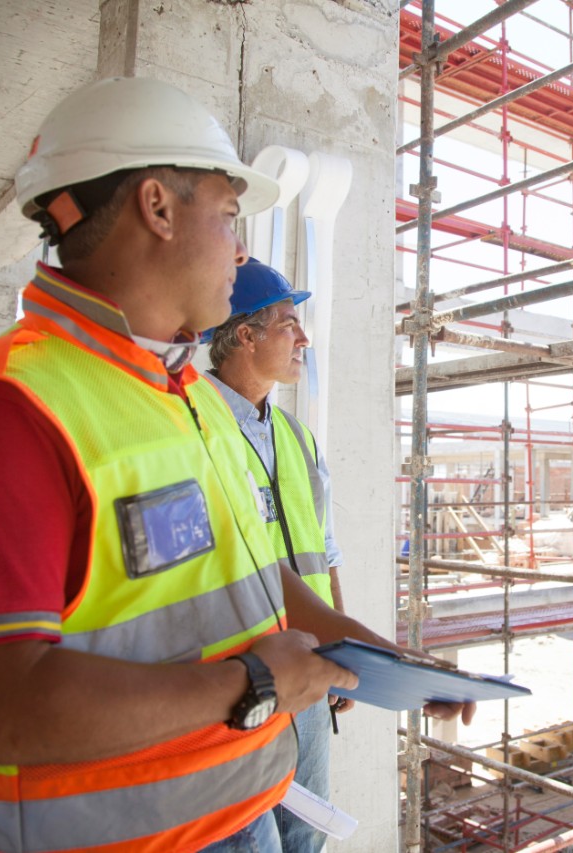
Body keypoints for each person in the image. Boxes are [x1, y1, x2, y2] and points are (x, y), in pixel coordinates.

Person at [0, 76, 467, 853]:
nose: (241, 248)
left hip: (236, 810)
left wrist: (374, 652)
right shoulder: (1, 413)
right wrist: (256, 682)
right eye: (230, 216)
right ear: (157, 207)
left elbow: (255, 582)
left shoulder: (184, 390)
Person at [205, 260, 472, 852]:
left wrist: (346, 651)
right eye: (288, 324)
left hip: (308, 671)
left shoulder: (297, 437)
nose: (303, 339)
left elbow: (322, 552)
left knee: (306, 836)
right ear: (245, 335)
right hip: (238, 679)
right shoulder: (194, 425)